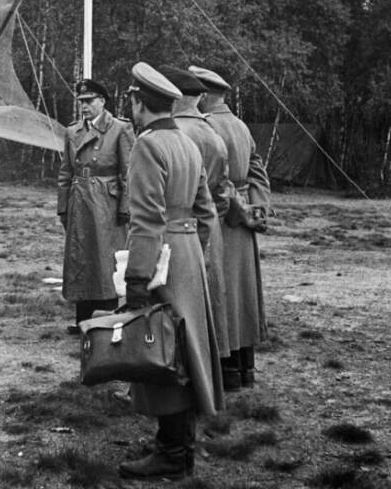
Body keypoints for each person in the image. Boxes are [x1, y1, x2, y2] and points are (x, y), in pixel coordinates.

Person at [119, 62, 224, 481]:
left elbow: (146, 220)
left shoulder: (147, 145)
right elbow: (206, 211)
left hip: (160, 258)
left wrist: (137, 278)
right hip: (187, 256)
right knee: (187, 351)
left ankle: (172, 453)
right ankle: (180, 446)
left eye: (131, 100)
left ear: (138, 102)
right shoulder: (187, 142)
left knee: (162, 351)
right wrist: (193, 253)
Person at [190, 65, 271, 390]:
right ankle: (245, 368)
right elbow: (257, 168)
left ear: (204, 95)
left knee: (221, 294)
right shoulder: (240, 125)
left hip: (221, 216)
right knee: (242, 294)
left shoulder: (205, 127)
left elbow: (217, 182)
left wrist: (238, 211)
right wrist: (258, 207)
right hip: (242, 217)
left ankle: (226, 371)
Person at [159, 65, 232, 361]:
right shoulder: (214, 134)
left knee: (174, 304)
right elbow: (222, 192)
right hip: (209, 224)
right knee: (209, 301)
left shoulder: (169, 134)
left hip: (175, 227)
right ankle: (216, 368)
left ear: (174, 98)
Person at [57, 78, 135, 333]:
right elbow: (65, 171)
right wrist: (63, 206)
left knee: (106, 260)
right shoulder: (72, 131)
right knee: (80, 257)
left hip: (106, 202)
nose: (84, 106)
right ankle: (82, 320)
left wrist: (125, 207)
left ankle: (106, 320)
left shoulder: (119, 129)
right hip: (79, 199)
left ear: (102, 101)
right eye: (81, 101)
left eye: (89, 101)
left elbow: (128, 172)